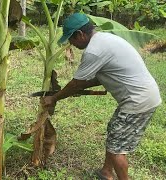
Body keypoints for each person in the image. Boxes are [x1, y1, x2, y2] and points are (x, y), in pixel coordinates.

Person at [42, 13, 162, 180]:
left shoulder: (94, 51)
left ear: (80, 34)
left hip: (137, 101)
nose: (71, 44)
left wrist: (54, 98)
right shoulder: (105, 39)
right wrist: (78, 87)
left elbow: (76, 83)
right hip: (142, 96)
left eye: (71, 39)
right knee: (114, 132)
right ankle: (106, 172)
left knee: (117, 149)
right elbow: (98, 77)